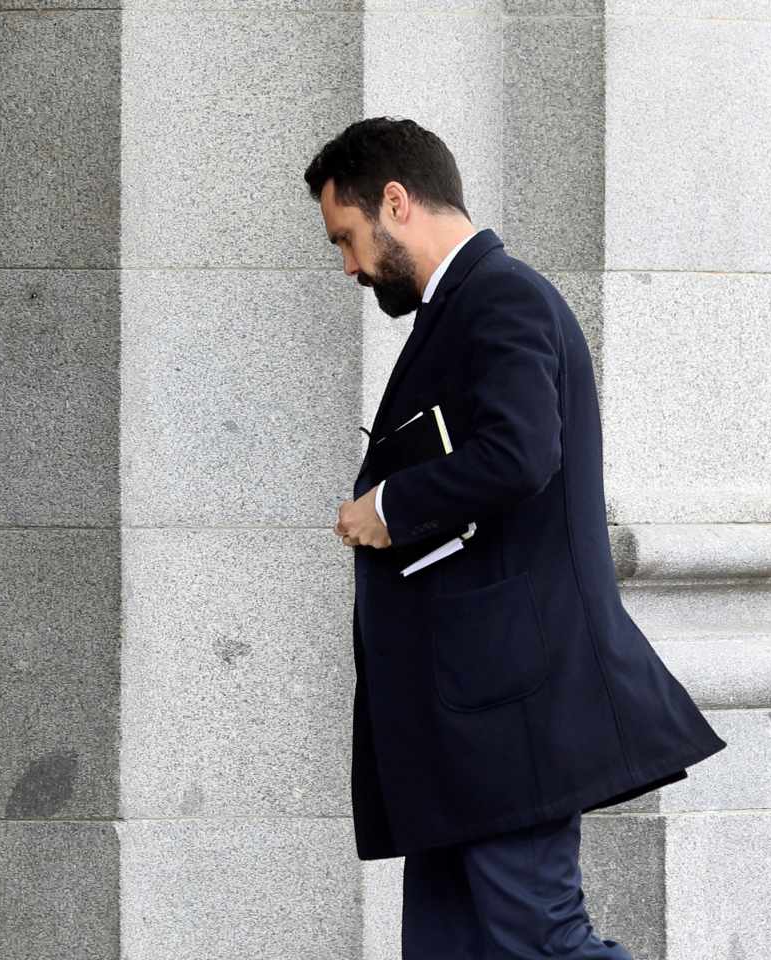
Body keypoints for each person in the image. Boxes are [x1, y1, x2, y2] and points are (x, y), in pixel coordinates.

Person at [306, 118, 725, 959]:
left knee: (540, 940)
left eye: (347, 239)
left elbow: (521, 451)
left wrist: (389, 504)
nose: (348, 266)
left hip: (507, 711)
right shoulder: (464, 307)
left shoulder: (502, 296)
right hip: (462, 722)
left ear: (396, 201)